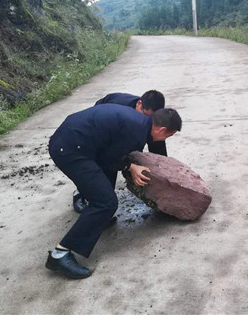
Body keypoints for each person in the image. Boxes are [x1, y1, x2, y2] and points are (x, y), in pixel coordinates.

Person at [46, 104, 182, 279]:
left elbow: (112, 154)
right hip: (70, 150)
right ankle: (60, 255)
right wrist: (130, 167)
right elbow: (107, 157)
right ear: (162, 129)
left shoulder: (140, 123)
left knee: (107, 177)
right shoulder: (135, 132)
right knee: (106, 203)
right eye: (168, 136)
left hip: (73, 139)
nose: (165, 139)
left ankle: (96, 220)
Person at [72, 90, 168, 213]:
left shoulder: (151, 119)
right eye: (146, 116)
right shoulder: (117, 108)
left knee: (132, 153)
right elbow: (108, 152)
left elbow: (157, 147)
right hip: (100, 129)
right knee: (104, 166)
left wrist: (162, 174)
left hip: (124, 130)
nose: (148, 121)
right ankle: (81, 192)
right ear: (139, 104)